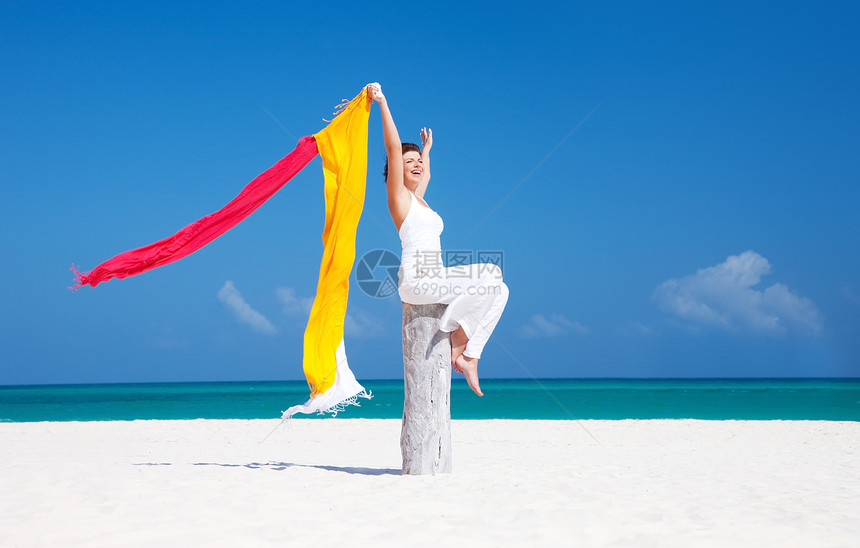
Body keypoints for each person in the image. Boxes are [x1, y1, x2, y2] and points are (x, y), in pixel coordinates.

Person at [367, 83, 509, 397]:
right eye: (410, 162)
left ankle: (469, 355)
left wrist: (426, 151)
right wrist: (382, 102)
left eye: (418, 161)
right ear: (394, 171)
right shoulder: (399, 199)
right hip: (417, 280)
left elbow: (426, 175)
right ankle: (456, 336)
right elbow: (392, 148)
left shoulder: (420, 200)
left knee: (499, 287)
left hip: (437, 275)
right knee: (490, 277)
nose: (416, 165)